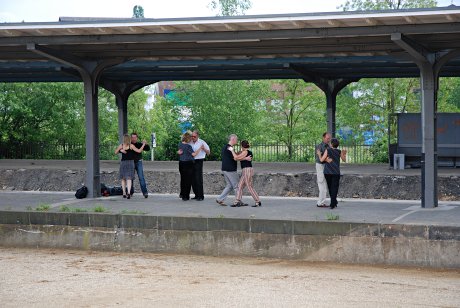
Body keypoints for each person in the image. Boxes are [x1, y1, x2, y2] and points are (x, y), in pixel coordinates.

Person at [216, 134, 251, 206]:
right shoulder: (230, 148)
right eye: (236, 139)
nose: (237, 141)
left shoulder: (226, 147)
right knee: (237, 186)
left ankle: (220, 199)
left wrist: (238, 153)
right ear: (233, 139)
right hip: (230, 169)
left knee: (229, 186)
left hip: (225, 168)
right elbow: (236, 158)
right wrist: (246, 158)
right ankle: (238, 201)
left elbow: (232, 156)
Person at [230, 140, 261, 207]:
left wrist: (232, 150)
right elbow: (237, 156)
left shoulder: (245, 152)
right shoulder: (246, 152)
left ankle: (257, 201)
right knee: (240, 186)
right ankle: (237, 201)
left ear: (242, 146)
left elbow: (236, 158)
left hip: (247, 170)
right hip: (245, 170)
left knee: (249, 186)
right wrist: (245, 158)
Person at [115, 134, 146, 199]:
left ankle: (124, 193)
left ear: (124, 139)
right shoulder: (131, 146)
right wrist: (143, 144)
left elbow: (115, 152)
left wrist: (120, 150)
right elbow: (139, 151)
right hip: (130, 163)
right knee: (129, 178)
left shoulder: (121, 145)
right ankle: (128, 192)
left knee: (123, 178)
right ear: (129, 139)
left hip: (123, 163)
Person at [319, 138, 347, 209]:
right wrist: (344, 154)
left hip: (327, 172)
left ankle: (333, 203)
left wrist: (319, 154)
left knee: (330, 188)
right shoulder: (339, 151)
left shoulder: (327, 150)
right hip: (336, 172)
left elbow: (322, 160)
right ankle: (333, 202)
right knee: (334, 188)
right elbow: (344, 160)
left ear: (331, 144)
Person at [178, 131, 203, 201]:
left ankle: (182, 195)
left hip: (181, 163)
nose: (192, 138)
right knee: (188, 181)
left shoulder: (180, 144)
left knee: (183, 179)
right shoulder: (188, 146)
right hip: (188, 164)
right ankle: (186, 196)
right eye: (191, 137)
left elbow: (179, 152)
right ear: (188, 138)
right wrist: (200, 148)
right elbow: (194, 154)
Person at [190, 130, 210, 201]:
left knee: (198, 178)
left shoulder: (202, 142)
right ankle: (196, 195)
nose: (193, 138)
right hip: (191, 161)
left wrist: (203, 148)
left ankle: (201, 196)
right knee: (192, 179)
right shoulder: (190, 142)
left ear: (197, 136)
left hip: (199, 161)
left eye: (194, 136)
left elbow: (208, 152)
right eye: (192, 136)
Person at [129, 132, 150, 198]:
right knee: (130, 178)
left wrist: (146, 144)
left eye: (135, 137)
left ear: (137, 138)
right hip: (130, 162)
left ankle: (145, 192)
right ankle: (131, 192)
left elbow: (147, 149)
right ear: (130, 138)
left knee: (141, 177)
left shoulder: (139, 144)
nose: (134, 139)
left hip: (138, 162)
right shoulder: (129, 145)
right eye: (132, 137)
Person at [315, 132, 331, 208]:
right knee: (321, 183)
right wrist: (326, 159)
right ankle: (320, 202)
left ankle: (322, 202)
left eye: (329, 138)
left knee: (324, 184)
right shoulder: (319, 146)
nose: (329, 140)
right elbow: (320, 159)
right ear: (323, 138)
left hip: (326, 166)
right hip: (320, 166)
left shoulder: (328, 146)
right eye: (327, 138)